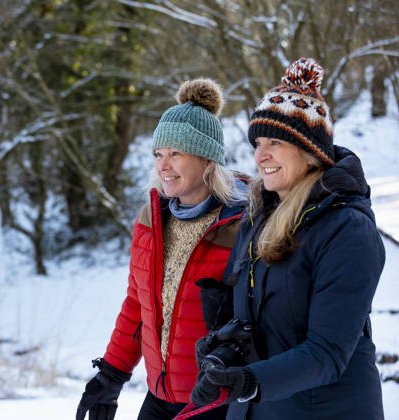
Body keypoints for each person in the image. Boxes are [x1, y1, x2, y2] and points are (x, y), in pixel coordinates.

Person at [190, 58, 385, 420]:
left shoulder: (347, 229)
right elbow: (258, 325)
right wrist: (222, 356)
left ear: (310, 151)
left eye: (275, 143)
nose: (260, 155)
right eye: (258, 142)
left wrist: (248, 381)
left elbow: (326, 352)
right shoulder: (259, 215)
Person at [76, 78, 248, 420]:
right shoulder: (151, 221)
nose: (163, 166)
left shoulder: (243, 224)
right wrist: (112, 374)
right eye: (159, 154)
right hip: (159, 396)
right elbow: (138, 303)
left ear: (208, 159)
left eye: (176, 154)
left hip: (214, 400)